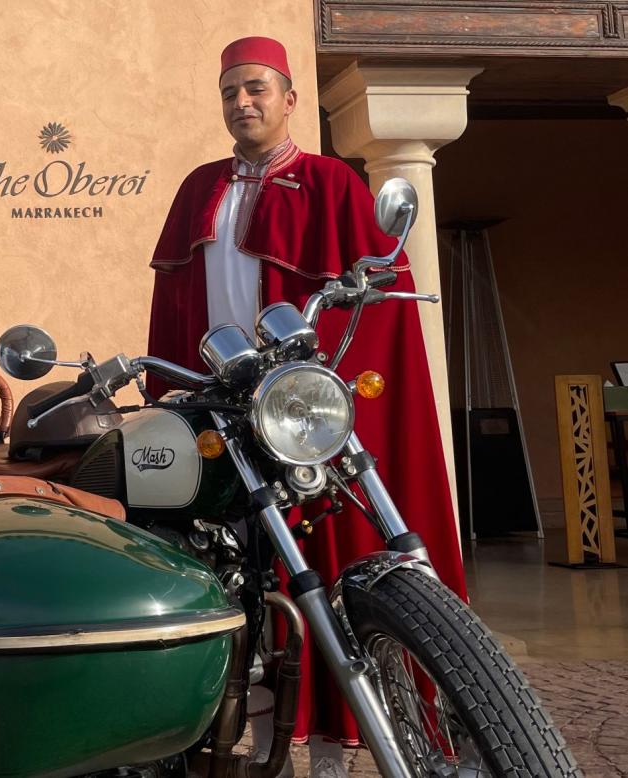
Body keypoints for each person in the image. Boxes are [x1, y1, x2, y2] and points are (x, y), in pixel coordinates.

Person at [146, 36, 466, 778]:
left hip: (296, 413)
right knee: (231, 577)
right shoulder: (200, 189)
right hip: (222, 410)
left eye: (255, 89)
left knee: (327, 561)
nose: (241, 103)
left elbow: (374, 306)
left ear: (290, 99)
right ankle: (238, 731)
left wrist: (324, 399)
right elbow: (173, 310)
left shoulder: (330, 183)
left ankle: (331, 741)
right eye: (229, 91)